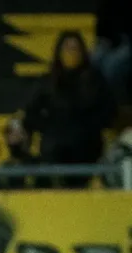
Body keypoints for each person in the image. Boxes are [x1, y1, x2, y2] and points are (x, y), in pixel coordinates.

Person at [23, 31, 115, 189]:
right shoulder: (47, 81)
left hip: (86, 146)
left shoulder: (95, 80)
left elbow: (109, 112)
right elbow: (31, 113)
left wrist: (89, 126)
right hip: (55, 146)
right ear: (59, 52)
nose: (71, 53)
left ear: (83, 52)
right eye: (68, 48)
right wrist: (49, 127)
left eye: (75, 48)